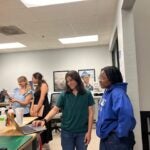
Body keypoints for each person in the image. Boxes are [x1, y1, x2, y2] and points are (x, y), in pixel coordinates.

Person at [33, 70, 95, 150]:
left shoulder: (87, 94)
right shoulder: (64, 94)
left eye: (71, 80)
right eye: (67, 81)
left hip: (82, 132)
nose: (69, 83)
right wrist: (44, 120)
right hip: (67, 132)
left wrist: (89, 132)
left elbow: (91, 113)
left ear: (77, 79)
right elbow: (55, 110)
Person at [96, 66, 136, 150]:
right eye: (100, 77)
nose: (100, 80)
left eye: (103, 78)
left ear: (111, 79)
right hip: (107, 137)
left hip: (116, 140)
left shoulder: (118, 94)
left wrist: (119, 134)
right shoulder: (107, 92)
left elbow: (126, 117)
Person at [30, 72, 52, 144]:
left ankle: (43, 143)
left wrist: (36, 110)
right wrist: (32, 108)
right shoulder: (37, 86)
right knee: (37, 126)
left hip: (43, 108)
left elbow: (42, 99)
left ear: (37, 78)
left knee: (42, 126)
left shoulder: (43, 85)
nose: (32, 79)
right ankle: (40, 143)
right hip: (38, 108)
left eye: (33, 78)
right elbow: (34, 98)